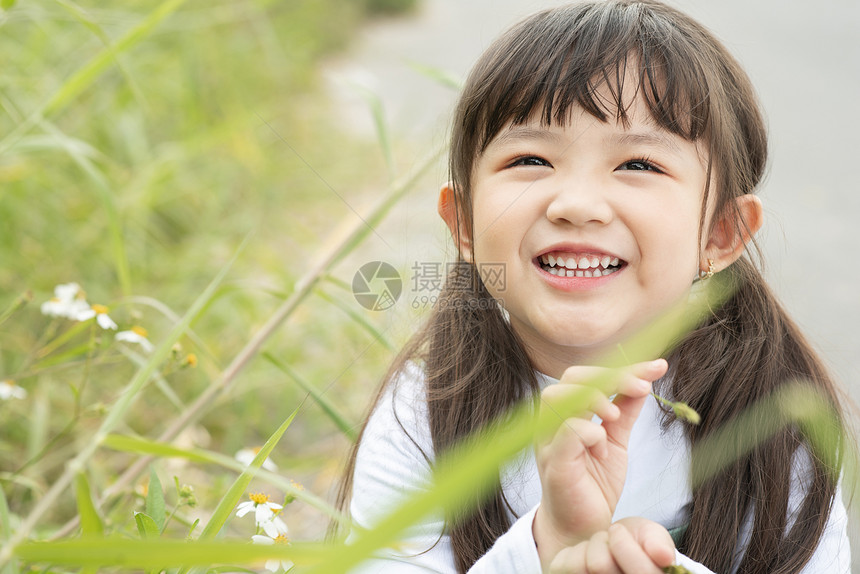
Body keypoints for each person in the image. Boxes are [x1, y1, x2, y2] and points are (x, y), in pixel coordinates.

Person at [333, 1, 852, 572]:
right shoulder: (425, 411)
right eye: (530, 158)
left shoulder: (771, 418)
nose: (576, 205)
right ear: (463, 224)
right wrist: (549, 541)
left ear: (721, 233)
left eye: (638, 165)